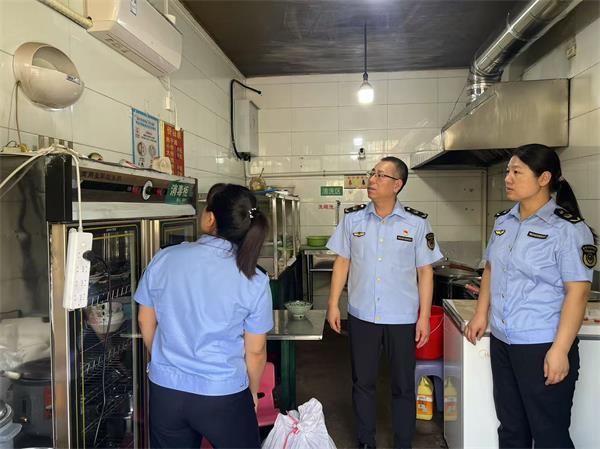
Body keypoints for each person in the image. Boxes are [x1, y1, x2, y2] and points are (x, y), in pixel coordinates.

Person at [465, 144, 597, 448]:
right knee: (511, 430)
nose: (507, 178)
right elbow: (491, 268)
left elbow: (578, 292)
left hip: (542, 345)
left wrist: (560, 350)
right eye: (507, 171)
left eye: (517, 172)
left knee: (549, 435)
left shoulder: (568, 229)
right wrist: (482, 313)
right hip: (503, 341)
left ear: (544, 178)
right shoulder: (504, 222)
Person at [135, 183, 273, 449]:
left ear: (210, 218)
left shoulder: (165, 258)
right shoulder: (254, 278)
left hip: (166, 392)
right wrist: (252, 392)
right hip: (223, 394)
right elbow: (255, 350)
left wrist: (164, 359)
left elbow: (145, 319)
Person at [326, 156, 443, 449]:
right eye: (372, 173)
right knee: (362, 383)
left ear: (397, 185)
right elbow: (342, 262)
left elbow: (425, 272)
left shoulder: (417, 223)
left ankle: (403, 443)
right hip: (362, 315)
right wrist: (332, 304)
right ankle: (366, 441)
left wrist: (423, 318)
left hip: (402, 318)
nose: (372, 180)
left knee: (403, 386)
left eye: (381, 175)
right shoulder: (352, 219)